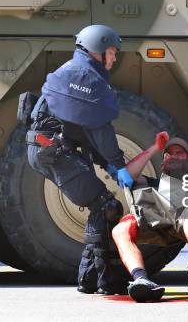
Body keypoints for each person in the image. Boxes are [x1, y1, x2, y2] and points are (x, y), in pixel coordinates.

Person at [26, 24, 134, 295]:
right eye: (111, 52)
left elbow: (81, 127)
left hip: (49, 149)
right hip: (54, 152)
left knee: (101, 204)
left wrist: (106, 162)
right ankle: (106, 282)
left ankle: (89, 280)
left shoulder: (72, 70)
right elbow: (100, 130)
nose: (114, 58)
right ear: (97, 51)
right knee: (106, 207)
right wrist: (118, 165)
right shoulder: (89, 79)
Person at [111, 136, 188, 302]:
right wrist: (155, 147)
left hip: (186, 218)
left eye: (179, 153)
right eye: (169, 153)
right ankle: (141, 279)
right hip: (156, 221)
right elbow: (127, 175)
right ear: (163, 163)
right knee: (120, 230)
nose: (173, 155)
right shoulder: (153, 184)